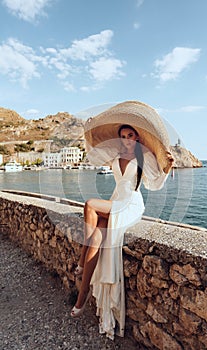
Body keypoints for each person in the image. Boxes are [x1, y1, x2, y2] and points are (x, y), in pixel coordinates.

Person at [71, 123, 173, 339]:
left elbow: (155, 183)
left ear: (137, 138)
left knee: (90, 204)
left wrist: (168, 167)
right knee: (97, 236)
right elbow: (94, 157)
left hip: (131, 205)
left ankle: (81, 262)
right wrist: (88, 132)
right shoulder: (114, 157)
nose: (126, 139)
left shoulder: (144, 157)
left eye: (130, 135)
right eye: (123, 136)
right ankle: (83, 293)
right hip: (115, 201)